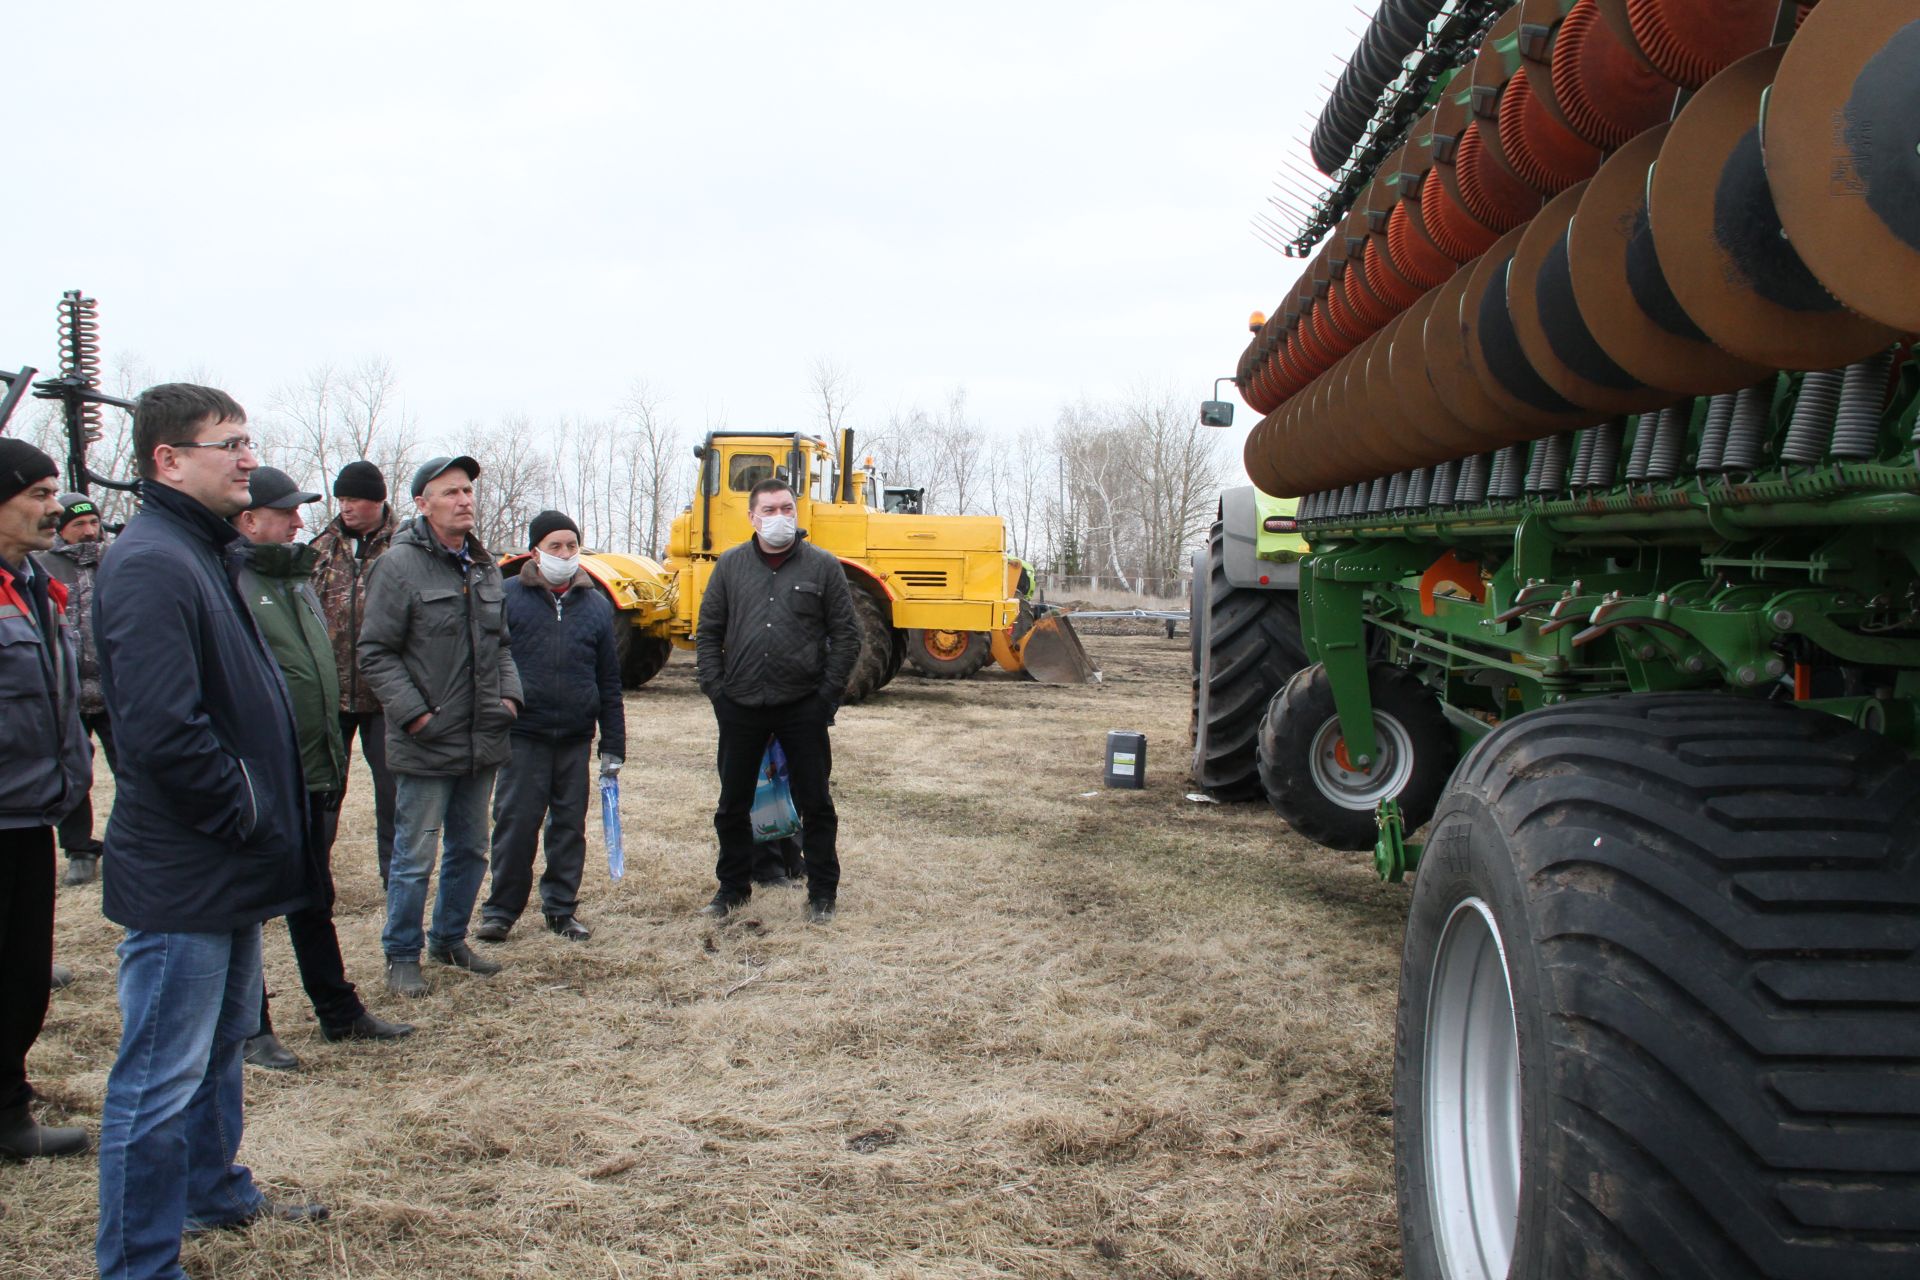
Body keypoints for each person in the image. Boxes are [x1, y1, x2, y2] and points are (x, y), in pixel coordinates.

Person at [92, 384, 326, 1278]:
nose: (244, 458)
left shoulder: (203, 553)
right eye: (226, 443)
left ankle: (211, 1190)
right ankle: (139, 1263)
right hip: (189, 866)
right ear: (167, 460)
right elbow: (159, 729)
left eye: (246, 439)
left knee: (223, 1045)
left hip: (230, 863)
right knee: (157, 1077)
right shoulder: (153, 560)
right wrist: (246, 808)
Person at [230, 468, 415, 1071]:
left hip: (311, 768)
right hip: (263, 778)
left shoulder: (294, 581)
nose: (301, 520)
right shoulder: (231, 582)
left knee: (314, 895)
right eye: (288, 510)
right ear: (249, 520)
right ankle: (250, 1027)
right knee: (252, 904)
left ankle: (339, 1013)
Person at [358, 455, 522, 997]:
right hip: (428, 739)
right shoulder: (397, 566)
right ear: (422, 503)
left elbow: (499, 645)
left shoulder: (484, 566)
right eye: (451, 492)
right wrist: (417, 715)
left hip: (483, 737)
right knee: (415, 856)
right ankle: (401, 952)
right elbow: (376, 652)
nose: (464, 500)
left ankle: (449, 938)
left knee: (471, 849)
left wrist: (509, 697)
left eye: (468, 491)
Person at [695, 477, 859, 924]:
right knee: (732, 804)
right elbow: (708, 632)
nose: (779, 517)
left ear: (797, 512)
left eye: (786, 508)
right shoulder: (729, 567)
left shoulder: (823, 566)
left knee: (817, 803)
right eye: (769, 510)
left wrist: (826, 697)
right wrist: (718, 692)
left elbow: (847, 637)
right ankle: (732, 888)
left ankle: (822, 892)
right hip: (741, 705)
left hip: (802, 705)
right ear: (752, 517)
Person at [0, 441, 91, 1160]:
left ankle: (8, 1112)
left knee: (24, 979)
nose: (52, 507)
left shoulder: (35, 584)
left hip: (31, 812)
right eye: (36, 493)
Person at [475, 511, 625, 944]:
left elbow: (609, 680)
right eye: (555, 546)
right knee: (516, 824)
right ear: (536, 551)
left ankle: (561, 908)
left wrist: (613, 742)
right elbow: (488, 666)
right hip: (523, 736)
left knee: (568, 828)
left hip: (575, 738)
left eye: (571, 546)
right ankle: (501, 911)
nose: (564, 554)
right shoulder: (506, 598)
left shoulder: (596, 606)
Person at [309, 460, 400, 887]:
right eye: (341, 499)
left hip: (388, 697)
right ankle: (311, 875)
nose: (345, 507)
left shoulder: (406, 547)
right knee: (322, 791)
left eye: (354, 499)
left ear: (378, 500)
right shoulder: (321, 547)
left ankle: (396, 878)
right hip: (329, 694)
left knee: (395, 793)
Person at [32, 492, 114, 886]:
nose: (88, 531)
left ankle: (131, 841)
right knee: (73, 774)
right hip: (66, 692)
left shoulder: (115, 560)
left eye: (93, 523)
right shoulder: (40, 566)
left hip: (117, 690)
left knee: (135, 768)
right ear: (62, 528)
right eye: (78, 524)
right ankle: (79, 849)